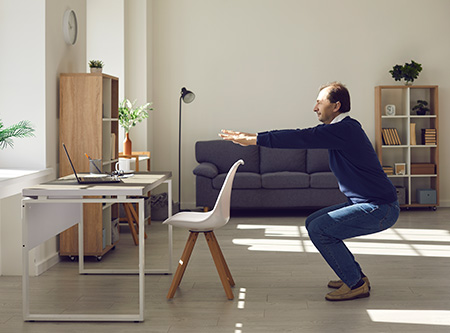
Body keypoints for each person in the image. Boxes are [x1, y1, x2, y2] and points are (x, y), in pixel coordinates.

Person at [219, 82, 399, 301]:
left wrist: (255, 139)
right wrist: (255, 137)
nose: (315, 108)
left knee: (320, 229)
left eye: (319, 102)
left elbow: (301, 137)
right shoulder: (340, 130)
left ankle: (356, 284)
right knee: (313, 221)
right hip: (365, 203)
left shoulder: (345, 129)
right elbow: (303, 136)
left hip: (380, 207)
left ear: (336, 106)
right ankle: (353, 275)